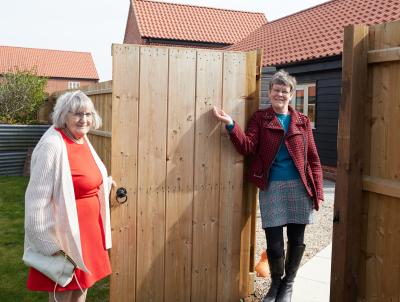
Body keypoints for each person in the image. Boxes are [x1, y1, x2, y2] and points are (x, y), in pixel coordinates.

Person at [213, 70, 324, 302]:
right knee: (274, 243)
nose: (280, 94)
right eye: (276, 90)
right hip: (272, 186)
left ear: (291, 95)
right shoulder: (260, 119)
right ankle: (275, 285)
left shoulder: (303, 122)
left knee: (296, 240)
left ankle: (288, 284)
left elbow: (313, 159)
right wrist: (231, 125)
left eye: (285, 91)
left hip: (300, 188)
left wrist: (318, 193)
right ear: (269, 92)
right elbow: (247, 147)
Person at [23, 90, 114, 302]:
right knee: (63, 291)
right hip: (65, 236)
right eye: (77, 114)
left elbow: (82, 178)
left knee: (82, 287)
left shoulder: (82, 139)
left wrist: (106, 183)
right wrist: (48, 244)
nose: (84, 119)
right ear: (64, 115)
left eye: (88, 114)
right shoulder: (52, 145)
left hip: (88, 232)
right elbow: (36, 200)